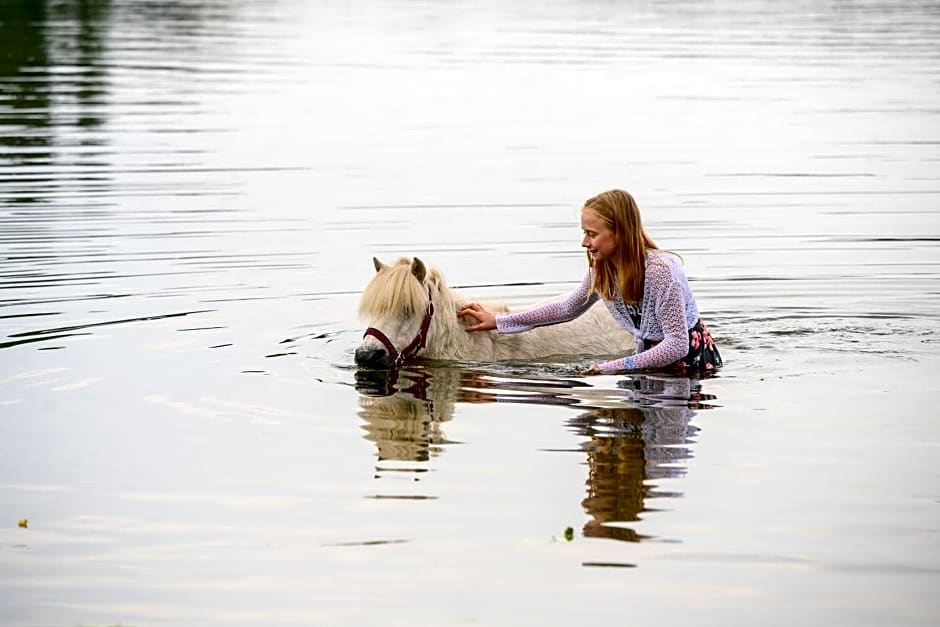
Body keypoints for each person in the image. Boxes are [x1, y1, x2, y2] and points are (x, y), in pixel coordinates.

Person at [458, 189, 722, 376]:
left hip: (688, 369)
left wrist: (613, 366)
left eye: (592, 234)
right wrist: (500, 321)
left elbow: (676, 345)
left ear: (619, 233)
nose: (585, 242)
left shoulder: (662, 272)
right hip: (643, 362)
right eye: (584, 233)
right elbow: (567, 309)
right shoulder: (602, 268)